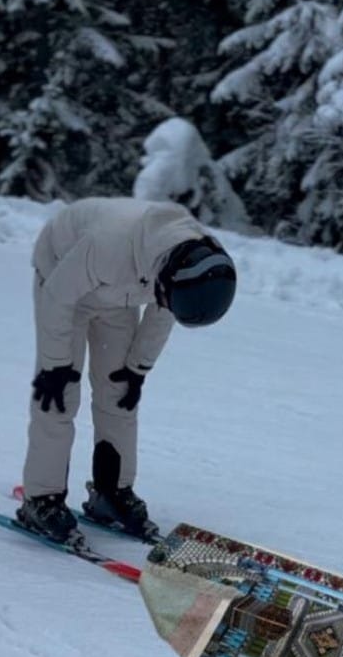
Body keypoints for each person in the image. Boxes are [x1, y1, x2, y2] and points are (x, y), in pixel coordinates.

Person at [17, 196, 237, 543]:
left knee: (119, 394)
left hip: (119, 295)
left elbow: (163, 311)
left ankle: (112, 492)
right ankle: (41, 498)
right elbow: (58, 296)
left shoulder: (194, 261)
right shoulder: (108, 244)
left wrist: (138, 367)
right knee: (58, 396)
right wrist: (55, 365)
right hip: (62, 276)